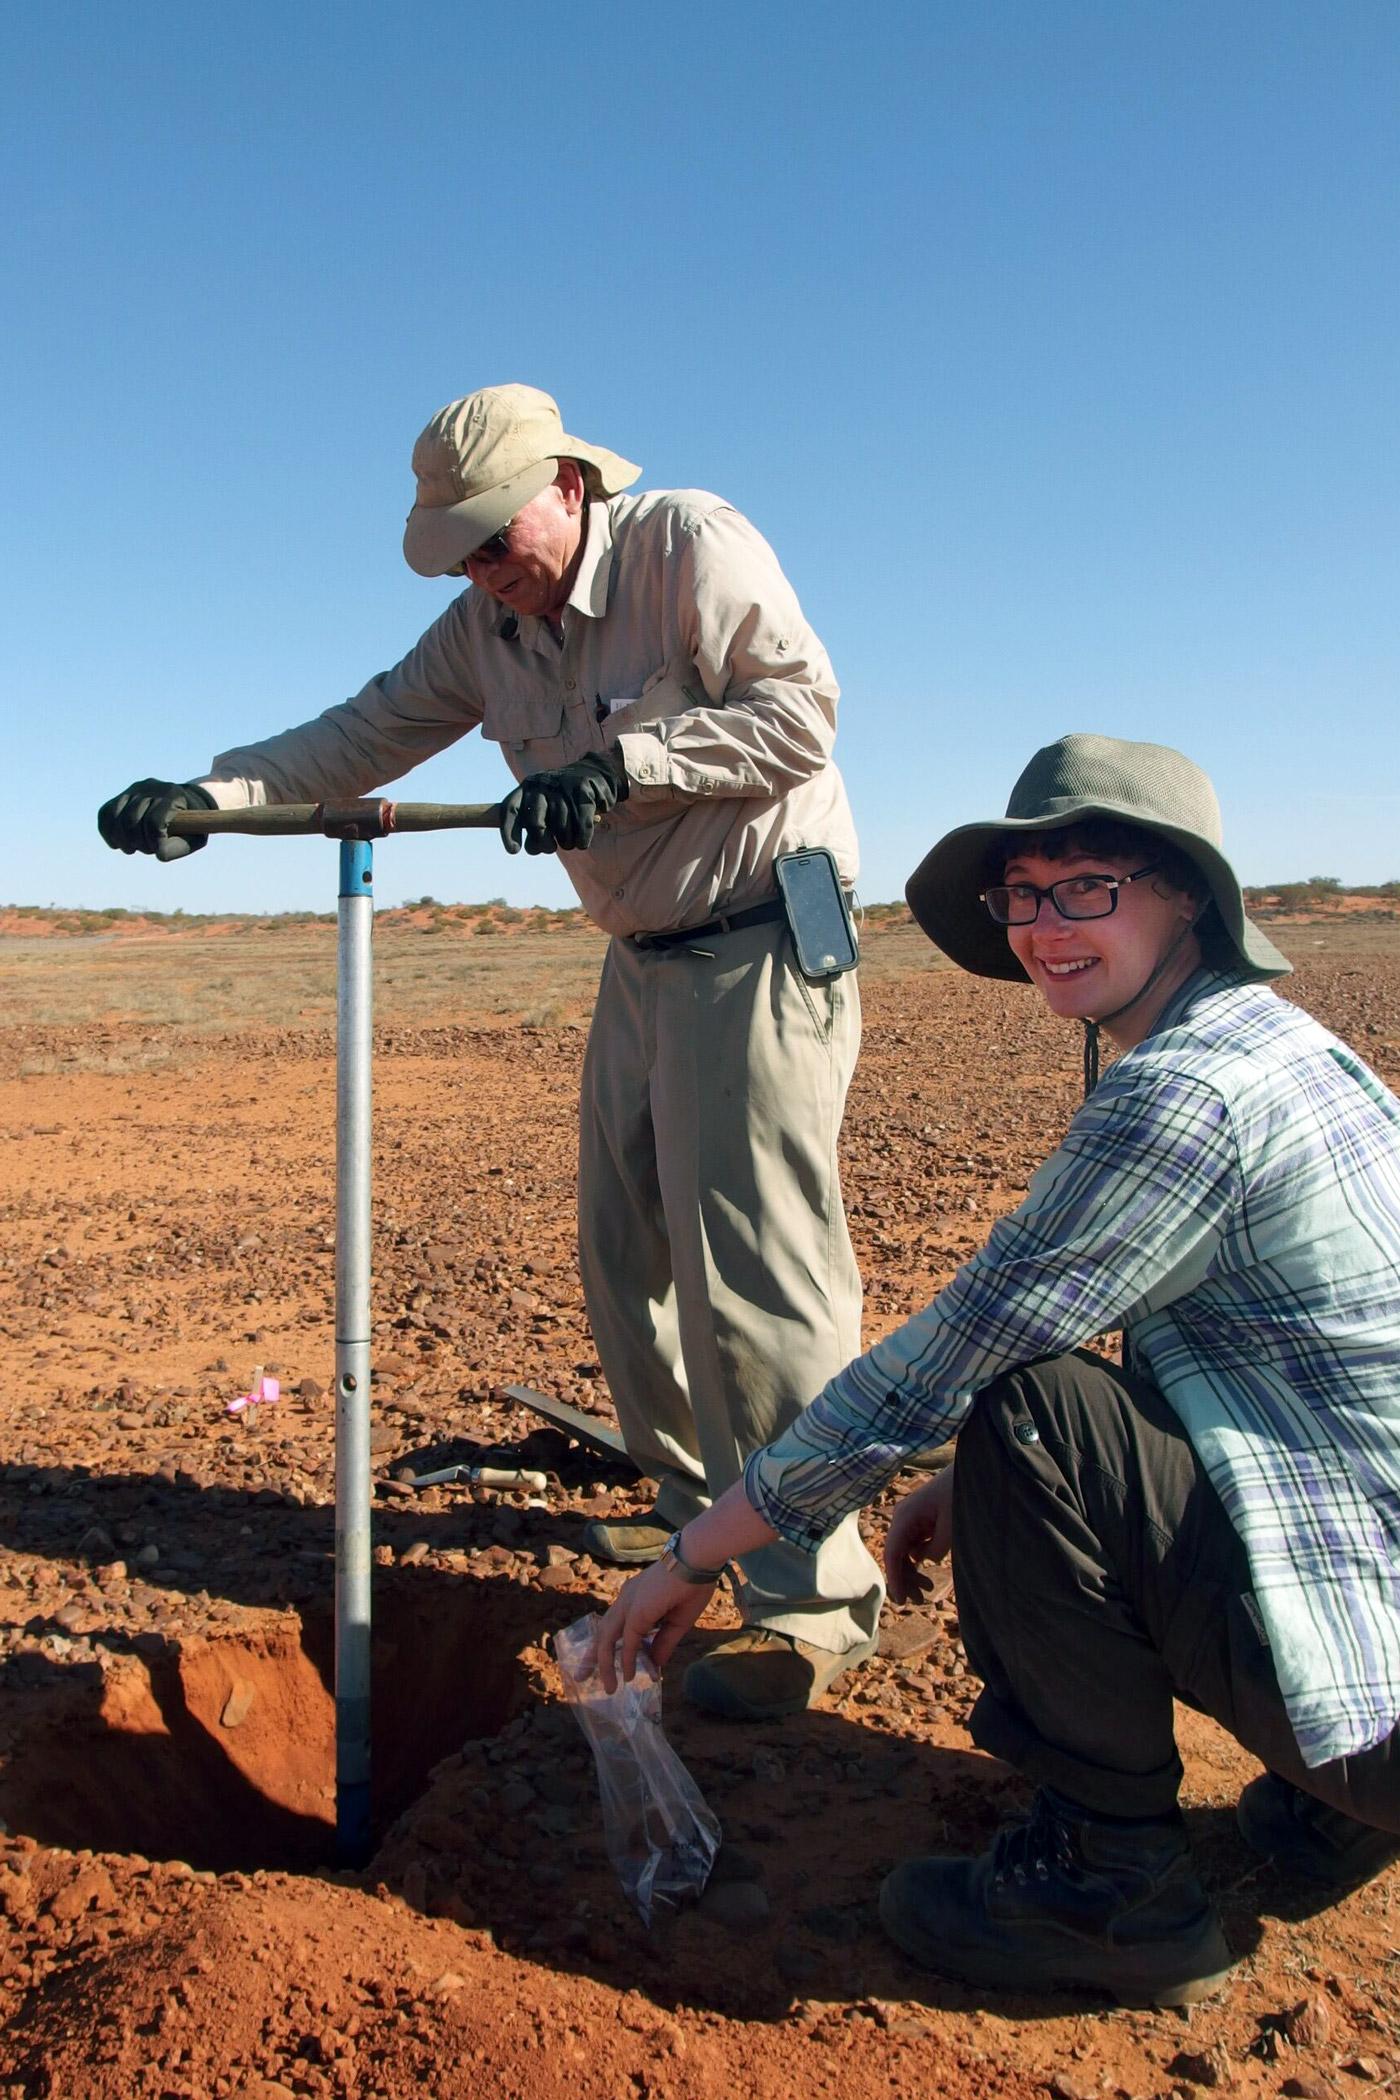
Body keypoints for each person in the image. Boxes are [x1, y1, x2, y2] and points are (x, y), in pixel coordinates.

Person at [97, 382, 883, 1721]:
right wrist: (212, 799)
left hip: (755, 937)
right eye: (457, 548)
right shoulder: (487, 625)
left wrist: (626, 767)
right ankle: (702, 1520)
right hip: (640, 960)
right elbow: (360, 734)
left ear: (568, 484)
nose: (480, 567)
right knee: (625, 1253)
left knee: (756, 1272)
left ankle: (811, 1598)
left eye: (492, 535)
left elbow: (801, 712)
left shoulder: (688, 545)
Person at [596, 732, 1400, 2007]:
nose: (1042, 926)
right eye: (1021, 895)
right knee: (1042, 1411)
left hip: (1377, 1686)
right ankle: (1336, 1816)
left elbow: (941, 1366)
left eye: (1087, 887)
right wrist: (983, 1495)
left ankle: (1109, 1894)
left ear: (1183, 893)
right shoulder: (1281, 1043)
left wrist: (702, 1551)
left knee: (1027, 1406)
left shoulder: (1184, 1095)